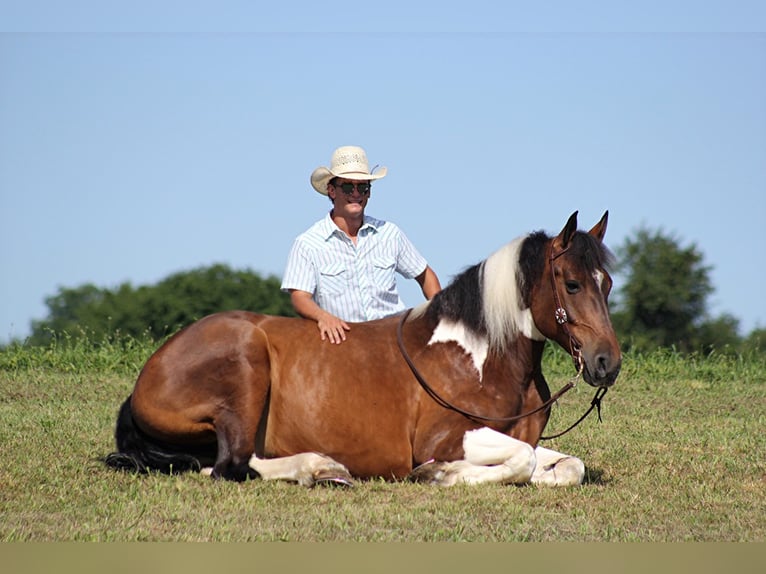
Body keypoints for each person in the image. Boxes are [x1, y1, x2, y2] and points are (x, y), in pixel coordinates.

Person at [282, 145, 441, 344]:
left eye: (363, 187)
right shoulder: (308, 244)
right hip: (343, 343)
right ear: (331, 190)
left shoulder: (389, 234)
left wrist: (440, 317)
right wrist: (324, 317)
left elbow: (425, 275)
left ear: (369, 192)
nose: (356, 193)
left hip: (394, 342)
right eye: (348, 186)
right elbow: (300, 297)